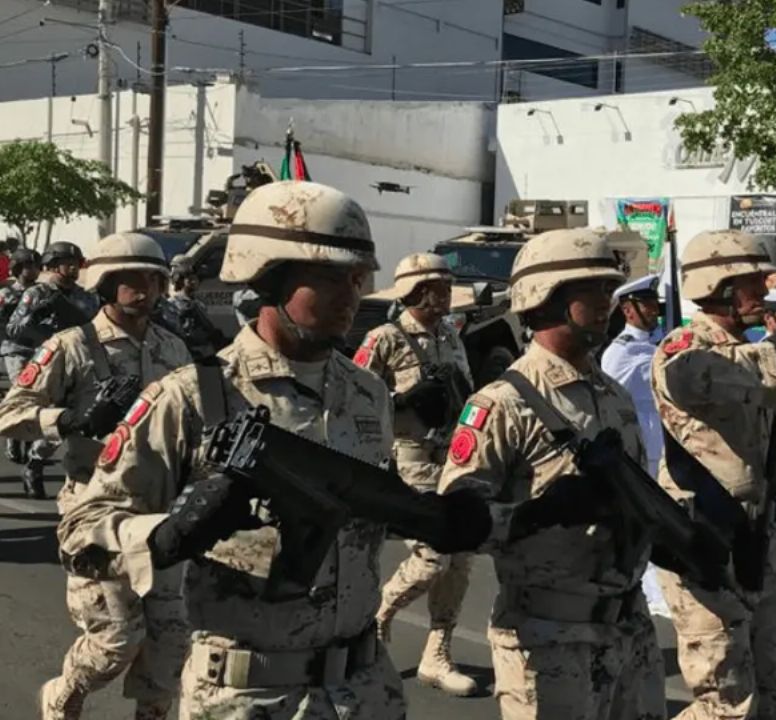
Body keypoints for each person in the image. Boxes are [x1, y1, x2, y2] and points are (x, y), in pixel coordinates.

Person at [57, 180, 490, 719]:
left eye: (357, 279)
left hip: (365, 686)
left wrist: (441, 515)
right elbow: (81, 529)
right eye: (329, 278)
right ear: (268, 276)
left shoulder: (367, 392)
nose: (351, 295)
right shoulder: (192, 395)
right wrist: (165, 533)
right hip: (246, 694)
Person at [437, 227, 667, 719]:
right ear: (547, 296)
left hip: (628, 631)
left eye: (610, 288)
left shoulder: (613, 395)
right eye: (594, 290)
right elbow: (452, 523)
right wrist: (536, 515)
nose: (609, 300)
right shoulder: (503, 403)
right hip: (548, 640)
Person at [0, 232, 192, 720]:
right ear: (104, 284)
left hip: (164, 510)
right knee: (114, 638)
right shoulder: (71, 346)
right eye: (131, 278)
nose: (145, 288)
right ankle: (63, 697)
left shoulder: (174, 349)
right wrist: (70, 420)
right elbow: (10, 413)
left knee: (171, 642)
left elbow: (206, 417)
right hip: (95, 506)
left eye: (153, 277)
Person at [652, 229, 776, 720]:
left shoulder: (755, 348)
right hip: (706, 533)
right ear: (719, 284)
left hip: (762, 531)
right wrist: (774, 354)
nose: (763, 291)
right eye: (750, 281)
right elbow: (693, 375)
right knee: (726, 705)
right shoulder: (685, 346)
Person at [356, 252, 481, 697]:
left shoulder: (450, 334)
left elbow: (466, 389)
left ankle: (437, 652)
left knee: (461, 560)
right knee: (434, 556)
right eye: (437, 287)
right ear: (415, 292)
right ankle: (380, 616)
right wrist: (404, 399)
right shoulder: (385, 338)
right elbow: (355, 400)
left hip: (454, 457)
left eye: (447, 286)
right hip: (411, 457)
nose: (446, 294)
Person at [6, 242, 101, 498]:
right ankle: (23, 447)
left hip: (79, 364)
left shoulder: (87, 297)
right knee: (48, 416)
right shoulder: (37, 294)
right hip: (45, 364)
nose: (72, 268)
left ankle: (35, 463)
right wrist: (37, 318)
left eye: (75, 263)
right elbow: (14, 329)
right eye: (66, 263)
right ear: (53, 265)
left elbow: (96, 330)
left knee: (73, 421)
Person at [601, 273, 671, 620]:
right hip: (640, 440)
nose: (655, 310)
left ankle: (658, 585)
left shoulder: (660, 342)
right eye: (646, 304)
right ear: (628, 311)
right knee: (643, 517)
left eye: (655, 303)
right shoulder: (620, 352)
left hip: (662, 438)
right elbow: (612, 399)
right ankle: (648, 590)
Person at [0, 247, 43, 469]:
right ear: (17, 268)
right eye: (27, 266)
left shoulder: (43, 292)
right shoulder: (7, 293)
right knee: (20, 394)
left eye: (35, 266)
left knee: (37, 397)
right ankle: (12, 436)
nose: (32, 270)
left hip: (40, 350)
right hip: (14, 349)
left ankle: (29, 441)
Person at [158, 254, 228, 361]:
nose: (194, 282)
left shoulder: (198, 304)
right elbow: (174, 332)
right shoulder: (173, 304)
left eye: (195, 279)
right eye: (190, 279)